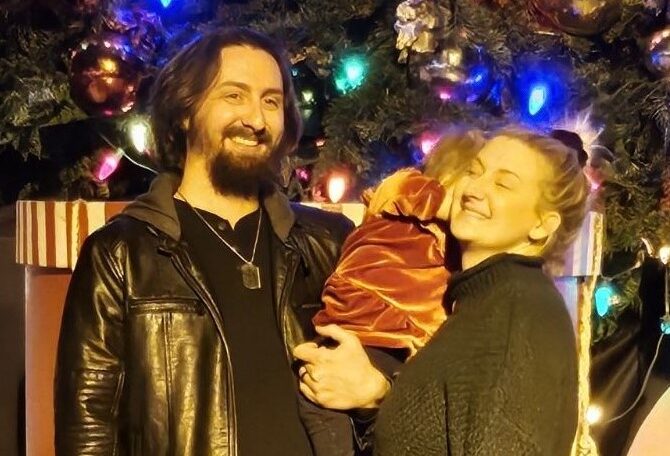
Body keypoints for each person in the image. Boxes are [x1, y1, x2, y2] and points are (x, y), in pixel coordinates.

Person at [53, 27, 354, 456]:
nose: (256, 120)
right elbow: (87, 432)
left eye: (271, 101)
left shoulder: (329, 243)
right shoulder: (121, 254)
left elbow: (390, 384)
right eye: (234, 95)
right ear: (185, 111)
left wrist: (375, 390)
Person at [295, 127, 589, 456]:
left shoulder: (519, 315)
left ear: (542, 224)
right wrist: (374, 394)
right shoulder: (475, 302)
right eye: (473, 171)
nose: (474, 189)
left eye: (503, 184)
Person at [296, 131, 484, 456]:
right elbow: (412, 193)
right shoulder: (412, 191)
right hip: (373, 329)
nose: (477, 196)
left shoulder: (453, 241)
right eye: (472, 177)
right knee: (319, 404)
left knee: (323, 408)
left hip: (379, 336)